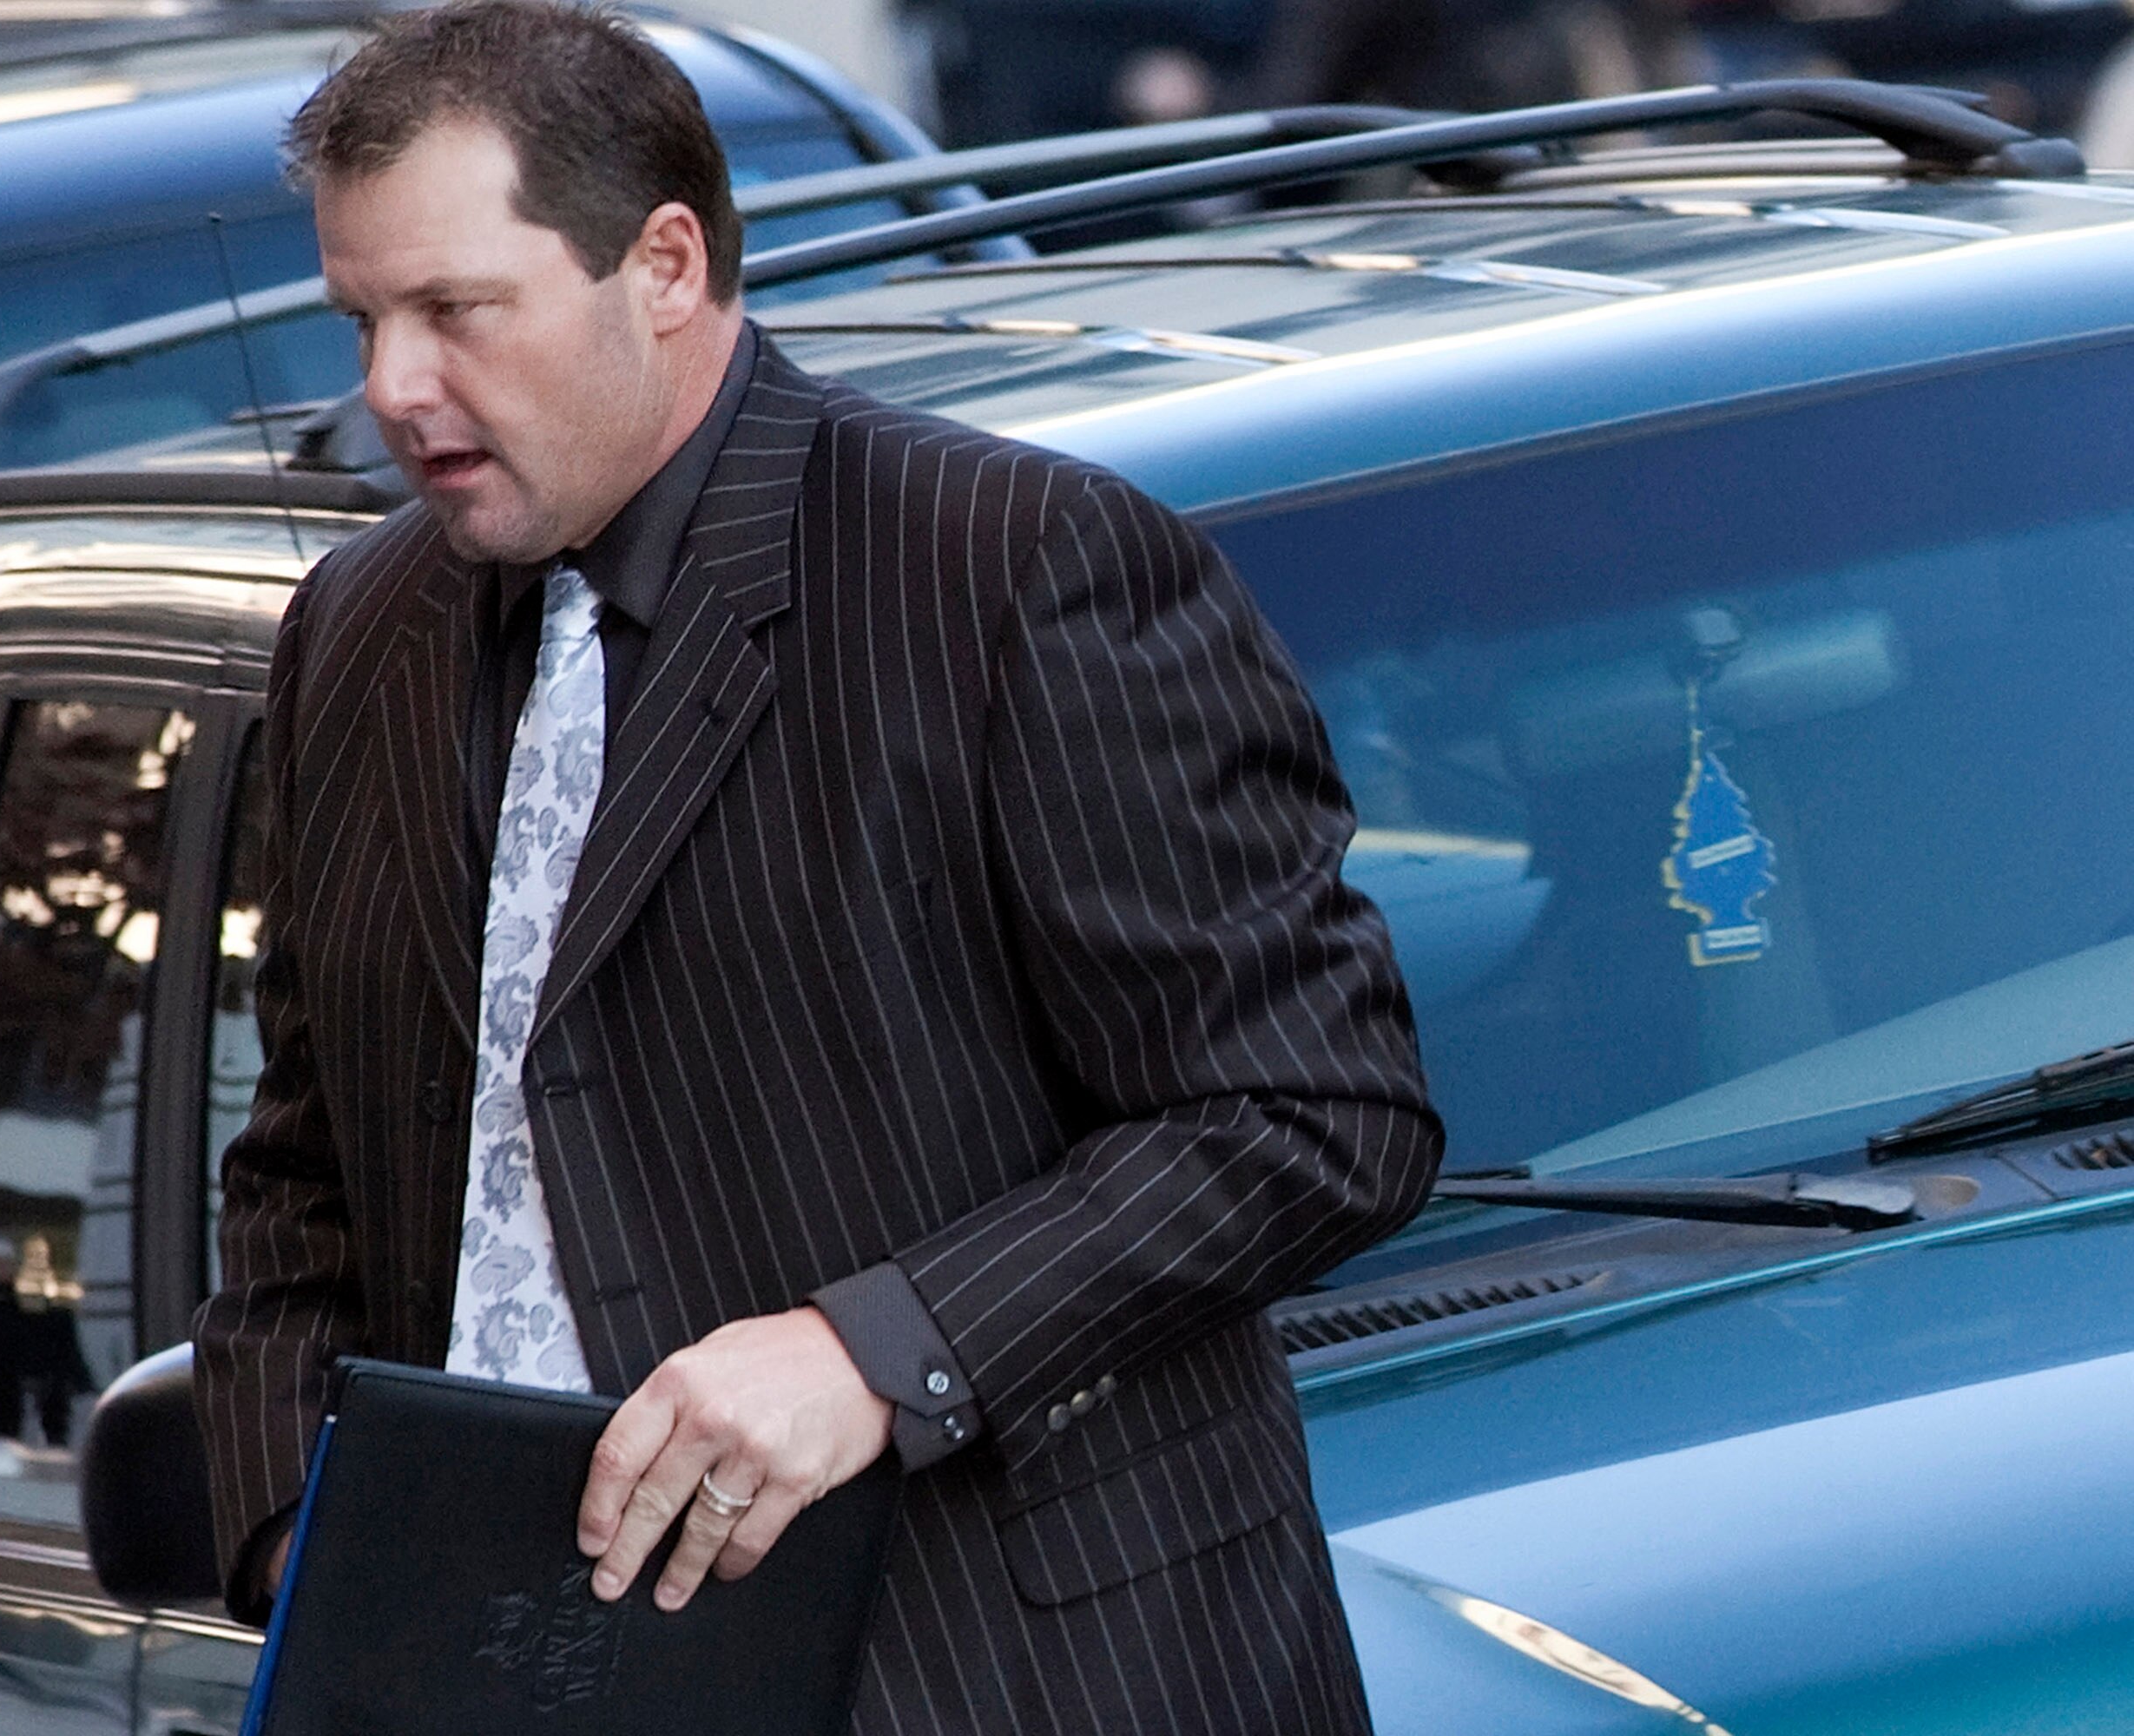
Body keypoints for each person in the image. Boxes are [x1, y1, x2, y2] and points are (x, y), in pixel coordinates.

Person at [190, 3, 1444, 1730]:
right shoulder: (356, 630)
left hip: (1010, 1681)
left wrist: (879, 1347)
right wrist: (298, 1545)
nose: (392, 387)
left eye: (456, 311)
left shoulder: (1013, 572)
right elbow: (304, 1173)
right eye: (363, 320)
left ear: (667, 262)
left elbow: (1316, 1112)